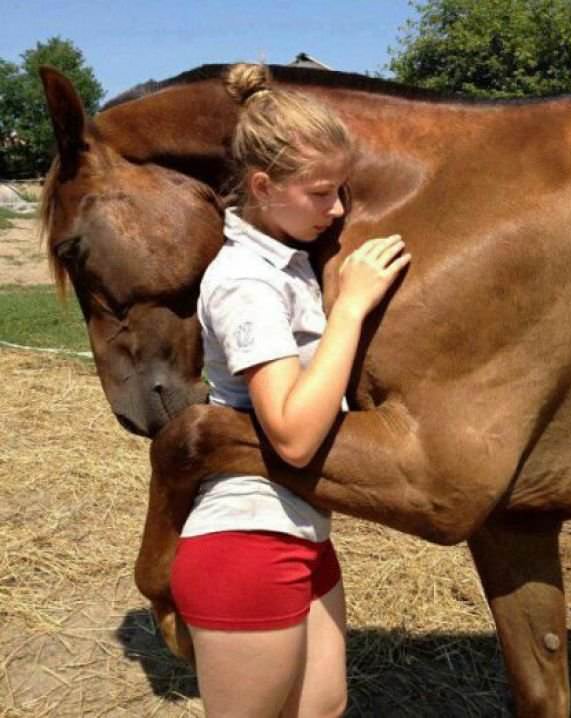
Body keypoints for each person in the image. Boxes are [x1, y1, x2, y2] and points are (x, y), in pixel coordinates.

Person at [170, 63, 410, 718]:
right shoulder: (246, 280)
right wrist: (351, 311)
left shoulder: (289, 263)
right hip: (247, 542)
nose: (336, 210)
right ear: (262, 186)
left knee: (323, 710)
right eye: (321, 193)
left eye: (341, 192)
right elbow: (294, 435)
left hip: (302, 534)